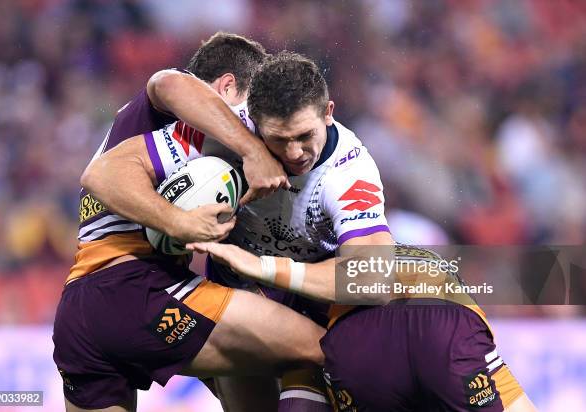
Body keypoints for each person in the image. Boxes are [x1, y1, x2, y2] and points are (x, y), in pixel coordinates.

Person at [186, 51, 536, 412]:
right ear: (254, 122)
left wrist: (264, 268)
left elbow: (371, 279)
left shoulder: (349, 172)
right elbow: (164, 87)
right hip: (302, 309)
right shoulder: (224, 128)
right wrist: (244, 153)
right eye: (278, 139)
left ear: (329, 112)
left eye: (305, 136)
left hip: (340, 316)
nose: (293, 153)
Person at [52, 33, 326, 412]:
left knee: (252, 376)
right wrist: (246, 153)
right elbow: (167, 83)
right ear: (226, 86)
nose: (259, 123)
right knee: (320, 349)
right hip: (136, 288)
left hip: (82, 310)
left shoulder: (146, 136)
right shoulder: (178, 117)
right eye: (253, 105)